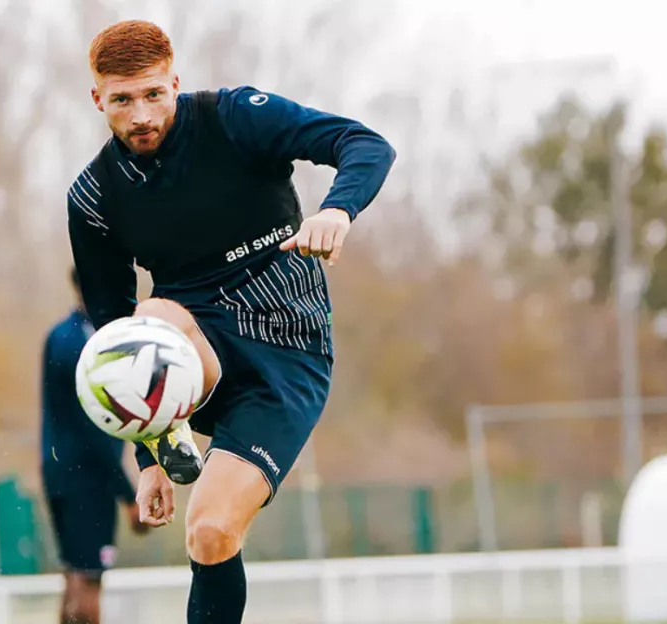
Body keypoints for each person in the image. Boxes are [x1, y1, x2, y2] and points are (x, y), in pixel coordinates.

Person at [66, 19, 396, 623]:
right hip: (196, 349)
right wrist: (147, 461)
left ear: (175, 82)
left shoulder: (236, 116)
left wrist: (338, 210)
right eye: (122, 100)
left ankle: (185, 442)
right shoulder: (93, 198)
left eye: (153, 94)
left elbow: (366, 145)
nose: (141, 115)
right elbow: (116, 339)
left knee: (211, 533)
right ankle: (173, 435)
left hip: (289, 355)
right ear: (97, 99)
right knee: (149, 317)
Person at [40, 267, 149, 624]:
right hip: (86, 478)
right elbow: (94, 430)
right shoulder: (84, 345)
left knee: (75, 573)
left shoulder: (62, 335)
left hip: (62, 475)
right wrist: (129, 494)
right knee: (88, 580)